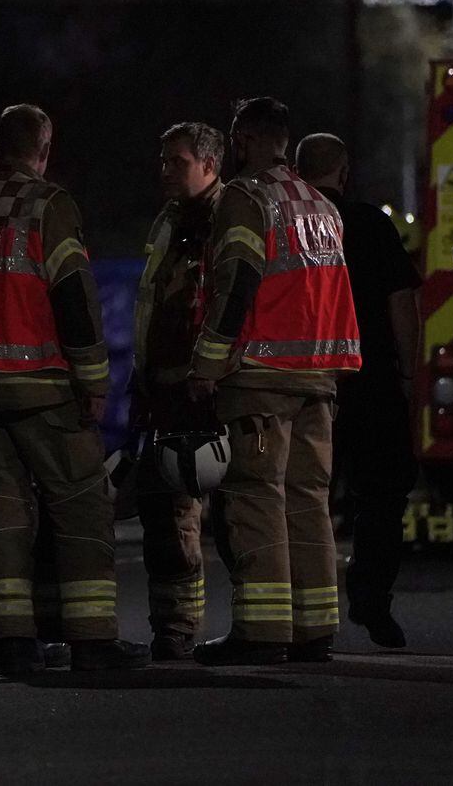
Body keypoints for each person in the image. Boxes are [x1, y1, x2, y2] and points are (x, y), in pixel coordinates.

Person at [0, 103, 149, 679]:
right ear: (44, 148)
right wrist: (93, 379)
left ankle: (11, 641)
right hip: (41, 387)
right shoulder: (49, 206)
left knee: (1, 512)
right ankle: (91, 639)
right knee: (83, 505)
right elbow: (72, 294)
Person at [187, 97, 361, 666]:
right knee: (308, 499)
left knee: (256, 496)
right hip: (319, 375)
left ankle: (261, 631)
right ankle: (315, 627)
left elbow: (236, 283)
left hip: (261, 374)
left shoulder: (245, 196)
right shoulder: (321, 203)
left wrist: (208, 364)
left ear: (242, 140)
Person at [296, 133, 420, 648]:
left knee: (305, 498)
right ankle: (371, 599)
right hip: (370, 382)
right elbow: (402, 305)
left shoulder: (290, 224)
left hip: (305, 380)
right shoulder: (371, 223)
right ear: (344, 172)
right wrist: (408, 376)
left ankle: (306, 610)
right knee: (381, 496)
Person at [129, 122, 225, 660]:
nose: (165, 170)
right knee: (165, 514)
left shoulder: (230, 215)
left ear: (210, 165)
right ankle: (175, 625)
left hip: (213, 388)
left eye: (178, 161)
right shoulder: (170, 219)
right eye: (163, 159)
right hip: (165, 389)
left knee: (232, 517)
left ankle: (257, 627)